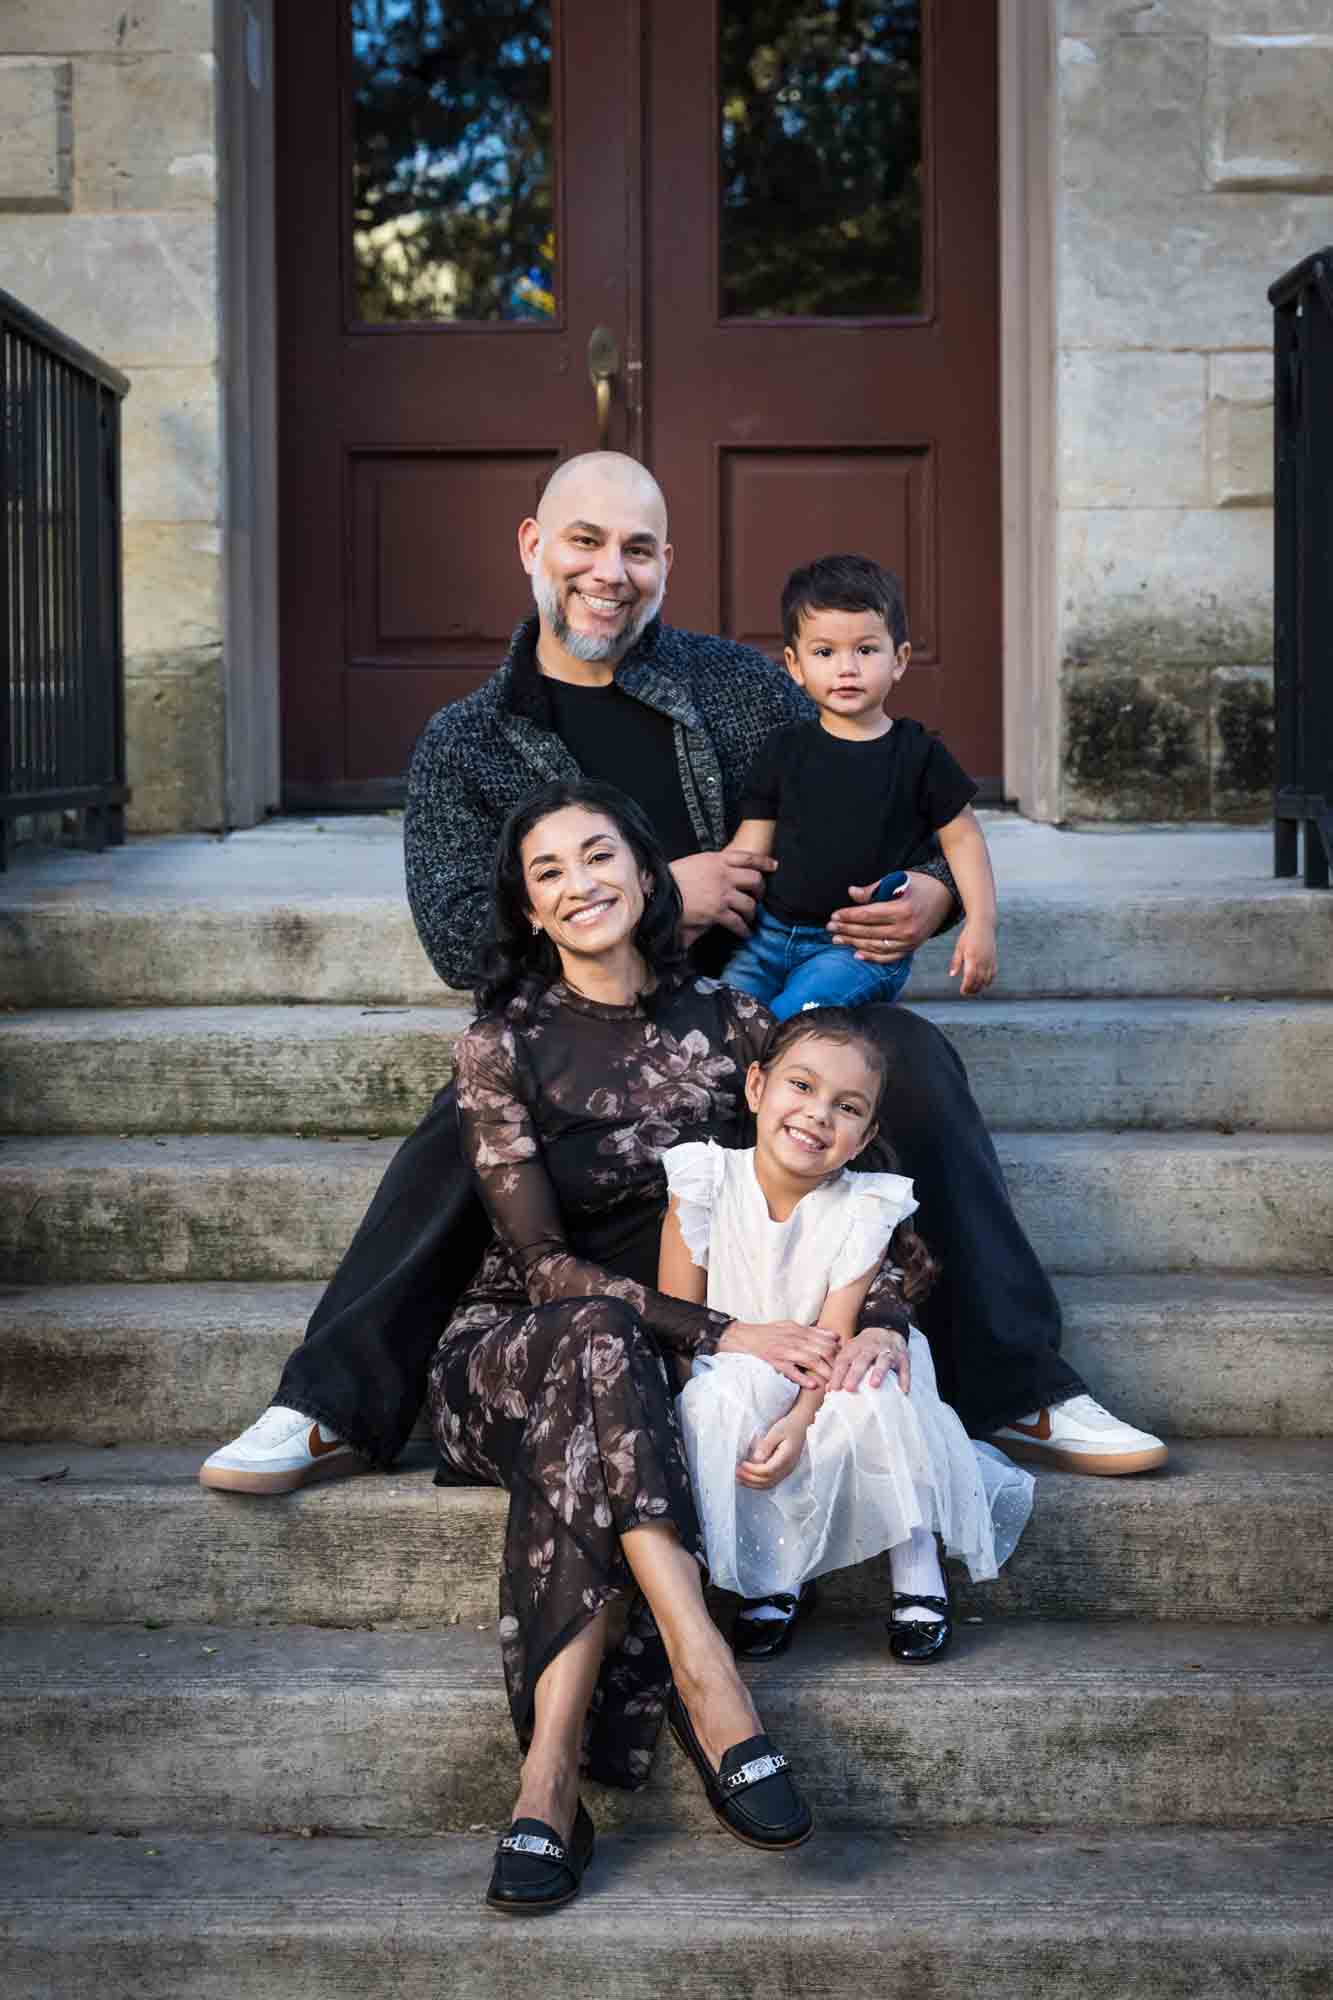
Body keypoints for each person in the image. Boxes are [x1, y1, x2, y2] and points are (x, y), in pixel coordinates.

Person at [198, 449, 1166, 1501]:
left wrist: (932, 890)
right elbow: (453, 934)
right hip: (587, 1039)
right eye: (585, 540)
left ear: (666, 564)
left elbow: (879, 788)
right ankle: (330, 1406)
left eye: (638, 548)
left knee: (911, 1062)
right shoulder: (467, 742)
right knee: (458, 1119)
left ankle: (1020, 1386)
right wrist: (668, 889)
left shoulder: (740, 685)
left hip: (769, 1028)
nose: (610, 571)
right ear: (534, 545)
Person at [433, 780, 826, 1908]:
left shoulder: (737, 1026)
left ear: (647, 873)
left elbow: (850, 1185)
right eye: (547, 871)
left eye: (597, 854)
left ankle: (547, 1779)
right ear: (531, 910)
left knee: (607, 1393)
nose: (578, 882)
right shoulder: (500, 1043)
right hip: (508, 1348)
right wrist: (727, 1330)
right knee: (597, 1330)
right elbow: (546, 1268)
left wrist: (869, 1326)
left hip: (637, 1378)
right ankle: (705, 1669)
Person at [659, 1008, 1033, 1662]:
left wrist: (801, 1421)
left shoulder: (864, 1207)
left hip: (837, 1355)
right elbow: (680, 1324)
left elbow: (835, 1333)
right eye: (799, 1086)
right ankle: (774, 1570)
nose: (817, 1114)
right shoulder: (704, 1182)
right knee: (723, 1398)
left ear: (864, 1136)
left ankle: (915, 1566)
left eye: (846, 1106)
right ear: (755, 1088)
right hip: (739, 1354)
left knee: (873, 1388)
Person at [721, 554, 998, 1019]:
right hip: (770, 938)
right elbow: (749, 848)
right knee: (720, 1017)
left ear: (900, 660)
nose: (846, 668)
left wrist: (982, 924)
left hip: (860, 951)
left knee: (794, 1015)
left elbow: (964, 839)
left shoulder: (919, 755)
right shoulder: (783, 750)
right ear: (795, 664)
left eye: (865, 650)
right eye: (825, 652)